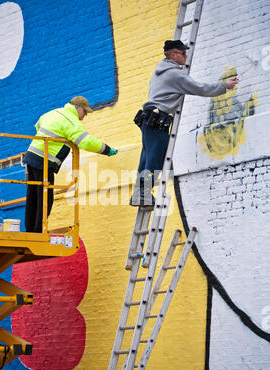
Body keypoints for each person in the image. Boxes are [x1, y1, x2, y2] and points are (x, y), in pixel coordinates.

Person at [130, 40, 239, 207]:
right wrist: (224, 86)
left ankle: (139, 193)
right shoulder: (175, 74)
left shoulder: (159, 70)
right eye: (183, 53)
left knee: (146, 157)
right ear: (173, 54)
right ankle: (142, 195)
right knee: (155, 159)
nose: (186, 56)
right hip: (158, 119)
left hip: (148, 118)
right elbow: (201, 88)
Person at [23, 96, 118, 233]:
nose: (85, 115)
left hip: (31, 156)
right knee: (45, 198)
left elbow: (38, 124)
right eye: (85, 111)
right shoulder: (71, 121)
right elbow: (86, 141)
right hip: (44, 161)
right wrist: (107, 149)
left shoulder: (53, 113)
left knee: (33, 196)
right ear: (77, 108)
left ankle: (30, 230)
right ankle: (38, 232)